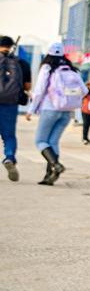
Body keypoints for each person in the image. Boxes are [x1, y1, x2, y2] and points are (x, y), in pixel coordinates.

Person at [26, 42, 85, 186]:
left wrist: (30, 110)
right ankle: (50, 175)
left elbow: (39, 91)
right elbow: (84, 91)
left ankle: (56, 165)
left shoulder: (47, 68)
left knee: (40, 141)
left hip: (50, 109)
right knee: (53, 142)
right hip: (66, 112)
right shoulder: (72, 70)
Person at [0, 35, 32, 182]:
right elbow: (27, 86)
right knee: (9, 136)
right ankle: (10, 157)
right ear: (12, 46)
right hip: (10, 104)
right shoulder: (21, 63)